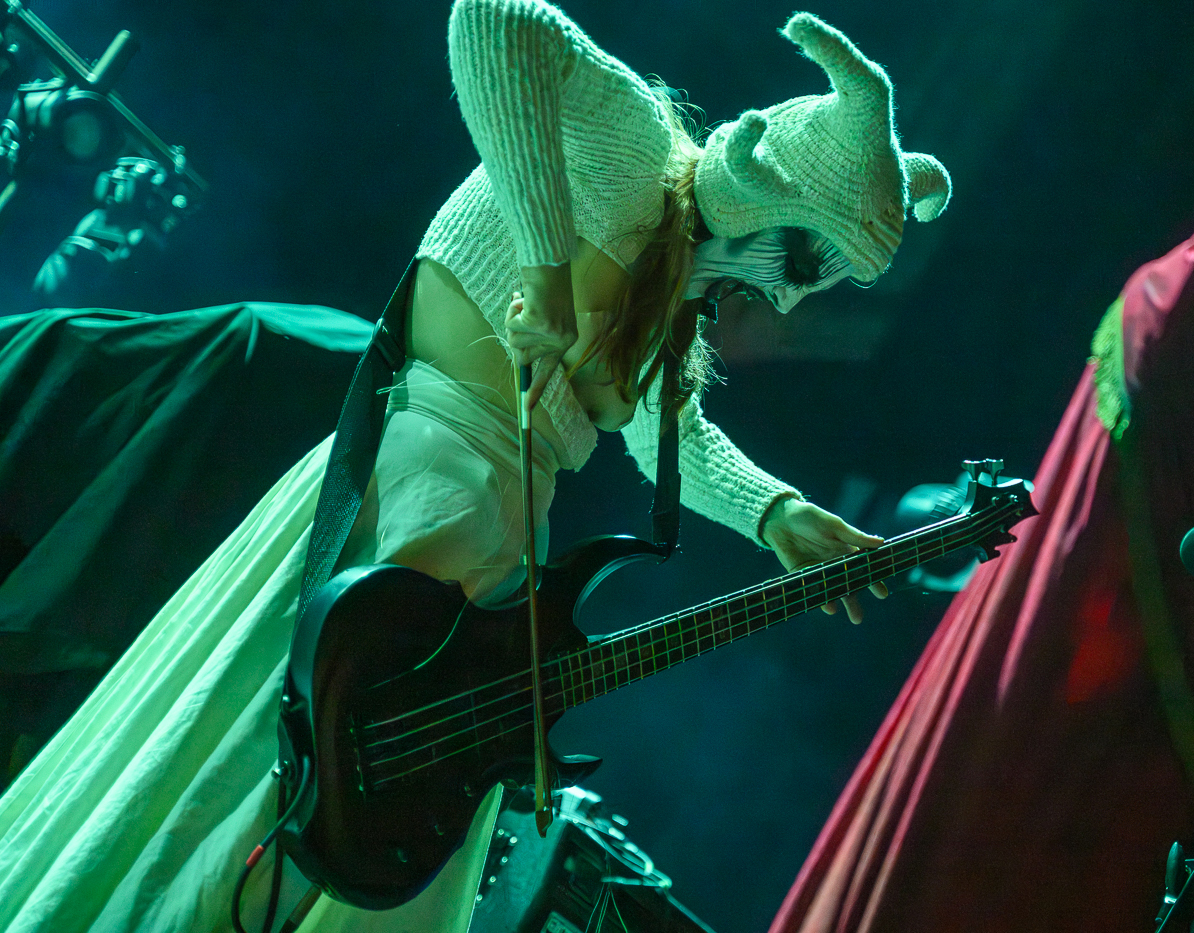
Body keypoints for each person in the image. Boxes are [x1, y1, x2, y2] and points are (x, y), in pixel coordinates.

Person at [0, 0, 951, 929]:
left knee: (371, 836)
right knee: (258, 768)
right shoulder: (633, 141)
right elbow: (491, 19)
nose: (785, 302)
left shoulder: (675, 286)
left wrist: (776, 512)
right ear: (771, 189)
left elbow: (671, 433)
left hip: (498, 546)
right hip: (417, 484)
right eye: (799, 262)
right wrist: (544, 267)